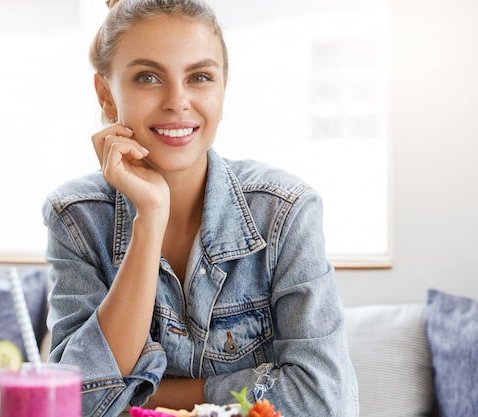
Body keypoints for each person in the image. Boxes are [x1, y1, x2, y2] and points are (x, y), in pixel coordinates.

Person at [42, 0, 359, 416]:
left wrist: (145, 397)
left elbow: (323, 401)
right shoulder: (77, 217)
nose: (177, 100)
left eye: (200, 77)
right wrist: (150, 216)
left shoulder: (285, 212)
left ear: (223, 89)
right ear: (106, 93)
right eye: (148, 77)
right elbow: (73, 403)